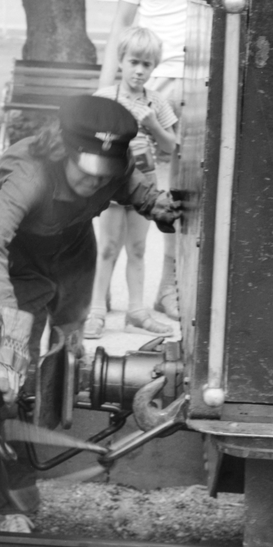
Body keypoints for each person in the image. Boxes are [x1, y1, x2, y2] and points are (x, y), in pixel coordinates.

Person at [0, 95, 180, 533]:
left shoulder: (112, 165)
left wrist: (154, 204)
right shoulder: (28, 173)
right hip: (18, 271)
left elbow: (131, 183)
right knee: (14, 383)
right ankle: (13, 504)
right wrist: (7, 318)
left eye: (104, 171)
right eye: (87, 169)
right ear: (64, 149)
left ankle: (52, 422)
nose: (94, 180)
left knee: (69, 362)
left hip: (74, 261)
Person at [98, 0, 197, 319]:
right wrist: (106, 89)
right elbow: (121, 24)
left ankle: (169, 290)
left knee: (183, 192)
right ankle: (100, 292)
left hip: (198, 85)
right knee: (125, 179)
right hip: (149, 83)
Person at [85, 27, 179, 339]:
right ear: (121, 61)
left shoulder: (156, 102)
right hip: (113, 181)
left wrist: (153, 124)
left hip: (145, 183)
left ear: (154, 67)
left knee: (137, 248)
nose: (139, 70)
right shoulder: (104, 98)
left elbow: (170, 146)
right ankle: (95, 311)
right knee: (108, 247)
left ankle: (137, 312)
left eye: (146, 65)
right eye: (134, 62)